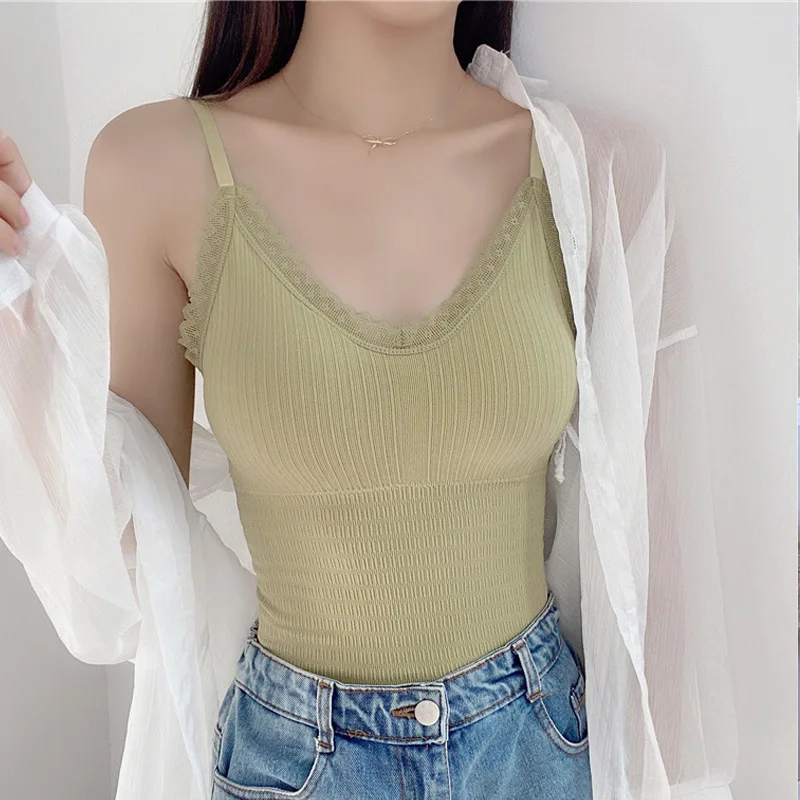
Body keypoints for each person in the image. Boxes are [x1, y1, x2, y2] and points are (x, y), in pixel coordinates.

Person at [0, 2, 738, 799]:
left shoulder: (598, 170)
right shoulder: (155, 167)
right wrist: (21, 316)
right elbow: (119, 565)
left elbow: (657, 593)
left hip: (540, 754)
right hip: (292, 765)